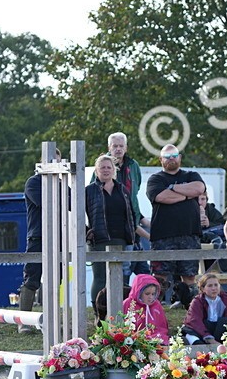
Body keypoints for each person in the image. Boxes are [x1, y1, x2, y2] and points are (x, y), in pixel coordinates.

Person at [147, 144, 207, 305]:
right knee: (160, 277)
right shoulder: (156, 179)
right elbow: (162, 197)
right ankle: (153, 312)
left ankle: (193, 311)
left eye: (174, 155)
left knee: (189, 276)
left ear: (180, 157)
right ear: (161, 159)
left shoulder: (192, 174)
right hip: (163, 236)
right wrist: (187, 195)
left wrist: (173, 188)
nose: (171, 158)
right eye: (167, 156)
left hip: (190, 234)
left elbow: (199, 188)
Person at [17, 147, 59, 333]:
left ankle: (48, 321)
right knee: (32, 278)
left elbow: (71, 209)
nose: (54, 163)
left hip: (59, 236)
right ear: (41, 162)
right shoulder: (33, 182)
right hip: (37, 236)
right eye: (50, 160)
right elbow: (47, 204)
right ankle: (23, 322)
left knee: (55, 279)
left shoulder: (61, 182)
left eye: (57, 160)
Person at [86, 154, 137, 308]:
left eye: (109, 167)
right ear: (96, 170)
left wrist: (132, 233)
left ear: (114, 170)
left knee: (119, 278)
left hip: (120, 239)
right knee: (100, 277)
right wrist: (86, 232)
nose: (106, 170)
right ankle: (97, 311)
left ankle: (118, 311)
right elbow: (76, 215)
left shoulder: (123, 189)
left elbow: (132, 214)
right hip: (98, 240)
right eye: (102, 167)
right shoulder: (88, 191)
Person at [107, 132, 151, 278]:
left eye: (121, 146)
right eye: (115, 146)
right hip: (116, 227)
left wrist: (141, 218)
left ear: (126, 147)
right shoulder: (103, 165)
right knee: (123, 268)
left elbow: (134, 193)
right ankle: (120, 300)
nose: (118, 149)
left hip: (135, 224)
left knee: (143, 270)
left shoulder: (133, 166)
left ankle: (146, 300)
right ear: (109, 147)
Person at [181, 271, 227, 345]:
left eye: (216, 285)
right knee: (190, 332)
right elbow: (195, 321)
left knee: (225, 321)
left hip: (220, 331)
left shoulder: (226, 299)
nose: (214, 288)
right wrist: (209, 338)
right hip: (202, 330)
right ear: (203, 288)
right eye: (210, 286)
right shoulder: (197, 301)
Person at [122, 273, 170, 345]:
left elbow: (162, 327)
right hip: (135, 341)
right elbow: (122, 327)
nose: (150, 297)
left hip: (156, 339)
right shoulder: (128, 304)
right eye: (147, 294)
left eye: (153, 294)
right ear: (138, 292)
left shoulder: (157, 305)